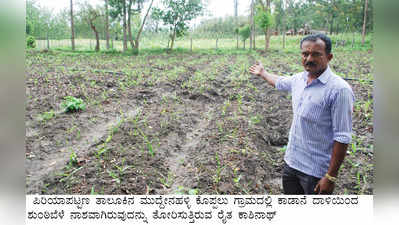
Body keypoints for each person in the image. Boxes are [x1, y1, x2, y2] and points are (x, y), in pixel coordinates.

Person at [249, 34, 354, 194]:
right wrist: (263, 73)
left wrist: (331, 177)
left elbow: (342, 136)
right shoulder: (299, 79)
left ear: (329, 57)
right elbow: (279, 81)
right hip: (292, 163)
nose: (309, 58)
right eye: (305, 54)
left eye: (316, 54)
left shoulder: (339, 90)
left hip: (316, 172)